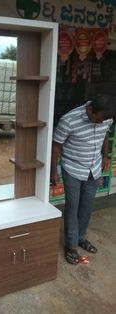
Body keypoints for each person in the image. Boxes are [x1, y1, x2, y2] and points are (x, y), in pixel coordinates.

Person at [51, 95, 115, 265]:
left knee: (87, 206)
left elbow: (105, 135)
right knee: (73, 207)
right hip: (72, 168)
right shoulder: (69, 120)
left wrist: (105, 155)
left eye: (105, 120)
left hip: (93, 170)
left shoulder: (106, 118)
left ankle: (80, 238)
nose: (102, 122)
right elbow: (56, 146)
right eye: (99, 119)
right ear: (91, 111)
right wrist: (53, 171)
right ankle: (71, 246)